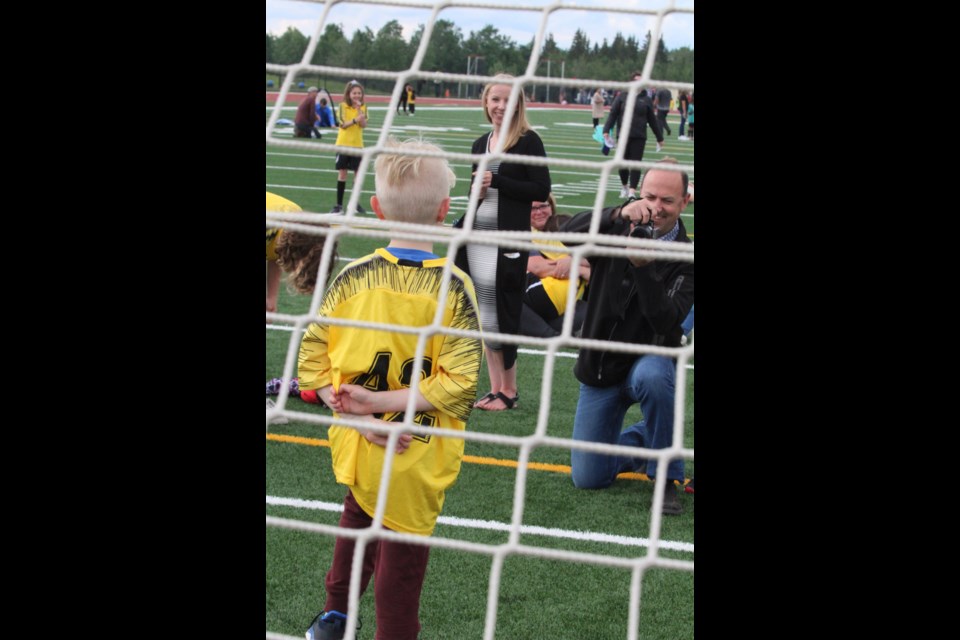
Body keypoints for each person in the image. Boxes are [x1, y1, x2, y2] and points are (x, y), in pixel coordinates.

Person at [298, 137, 483, 640]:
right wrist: (384, 410)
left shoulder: (350, 278)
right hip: (416, 451)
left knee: (356, 520)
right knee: (401, 567)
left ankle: (334, 618)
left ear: (376, 209)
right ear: (447, 210)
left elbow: (311, 362)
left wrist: (361, 413)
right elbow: (461, 381)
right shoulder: (453, 287)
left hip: (358, 442)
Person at [561, 159, 693, 516]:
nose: (656, 207)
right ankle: (644, 438)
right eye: (650, 196)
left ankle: (665, 477)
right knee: (588, 477)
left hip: (651, 361)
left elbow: (667, 322)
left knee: (653, 374)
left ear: (686, 201)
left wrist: (645, 269)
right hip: (603, 365)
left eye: (667, 200)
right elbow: (567, 233)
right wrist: (618, 213)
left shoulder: (687, 255)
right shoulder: (618, 226)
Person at [454, 73, 552, 411]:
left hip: (507, 242)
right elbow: (473, 196)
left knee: (506, 313)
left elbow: (540, 190)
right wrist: (477, 193)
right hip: (477, 239)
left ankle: (509, 391)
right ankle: (495, 388)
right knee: (485, 315)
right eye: (494, 99)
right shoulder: (480, 144)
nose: (499, 106)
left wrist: (497, 180)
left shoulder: (528, 142)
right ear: (485, 102)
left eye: (507, 100)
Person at [520, 194, 590, 338]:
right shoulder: (523, 232)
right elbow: (538, 267)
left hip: (551, 298)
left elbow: (599, 262)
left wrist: (574, 262)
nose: (539, 212)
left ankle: (548, 333)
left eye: (543, 206)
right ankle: (556, 331)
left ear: (551, 207)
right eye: (533, 208)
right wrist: (578, 267)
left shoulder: (563, 228)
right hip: (549, 296)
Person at [602, 72, 664, 200]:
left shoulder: (646, 99)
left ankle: (632, 191)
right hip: (623, 136)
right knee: (622, 164)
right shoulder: (622, 97)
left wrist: (659, 137)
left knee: (636, 164)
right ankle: (624, 186)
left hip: (639, 136)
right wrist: (606, 130)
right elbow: (613, 114)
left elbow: (652, 120)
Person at [332, 80, 369, 214]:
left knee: (357, 175)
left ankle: (354, 203)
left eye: (359, 93)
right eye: (354, 93)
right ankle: (339, 205)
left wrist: (359, 111)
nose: (357, 95)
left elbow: (364, 125)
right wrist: (355, 120)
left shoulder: (363, 107)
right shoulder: (342, 106)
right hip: (343, 144)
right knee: (342, 174)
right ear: (349, 93)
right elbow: (342, 124)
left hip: (358, 145)